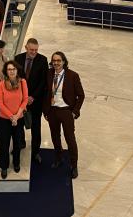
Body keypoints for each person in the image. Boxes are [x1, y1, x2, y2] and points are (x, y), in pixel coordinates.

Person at [43, 51, 85, 179]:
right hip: (53, 111)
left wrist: (74, 112)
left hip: (66, 111)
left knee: (70, 139)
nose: (56, 63)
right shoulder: (49, 74)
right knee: (55, 137)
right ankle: (58, 158)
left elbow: (81, 96)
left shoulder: (72, 75)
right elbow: (46, 93)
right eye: (54, 60)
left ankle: (73, 165)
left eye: (59, 60)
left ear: (64, 62)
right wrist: (46, 111)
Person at [14, 38, 48, 164]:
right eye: (31, 50)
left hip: (35, 101)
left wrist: (32, 97)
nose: (34, 52)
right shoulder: (18, 58)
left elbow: (43, 82)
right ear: (26, 47)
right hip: (20, 100)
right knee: (19, 124)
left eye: (36, 50)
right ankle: (21, 143)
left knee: (36, 127)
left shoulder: (42, 60)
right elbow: (15, 79)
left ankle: (36, 151)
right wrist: (23, 97)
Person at [0, 60, 28, 179]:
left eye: (14, 69)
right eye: (9, 69)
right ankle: (4, 166)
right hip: (5, 119)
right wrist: (11, 116)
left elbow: (25, 100)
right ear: (6, 71)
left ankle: (16, 163)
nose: (12, 71)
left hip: (18, 118)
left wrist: (17, 116)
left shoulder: (23, 82)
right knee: (4, 144)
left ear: (17, 70)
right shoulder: (1, 84)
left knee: (17, 142)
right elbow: (0, 103)